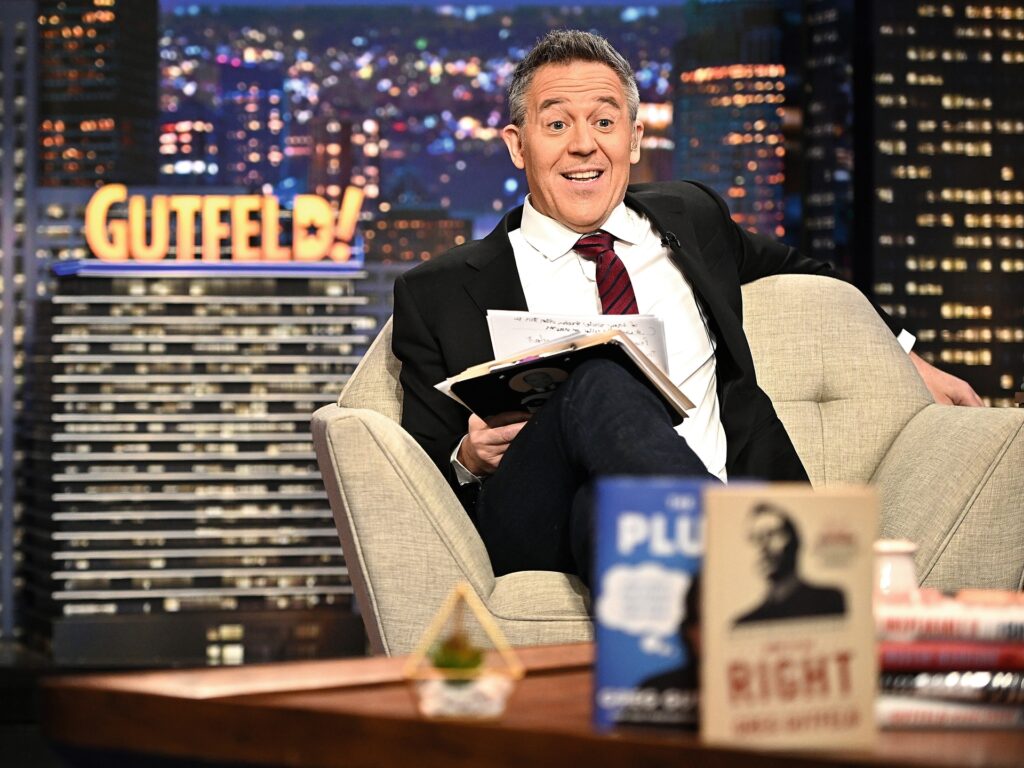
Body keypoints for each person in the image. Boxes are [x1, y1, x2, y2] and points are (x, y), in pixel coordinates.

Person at [391, 30, 981, 585]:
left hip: (635, 516)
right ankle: (759, 570)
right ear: (518, 146)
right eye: (557, 124)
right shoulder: (440, 291)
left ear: (634, 139)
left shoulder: (690, 218)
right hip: (541, 522)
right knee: (600, 375)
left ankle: (709, 592)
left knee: (611, 509)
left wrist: (906, 360)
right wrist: (469, 458)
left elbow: (807, 271)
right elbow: (421, 474)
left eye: (604, 121)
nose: (583, 144)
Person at [733, 503, 846, 625]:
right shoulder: (746, 623)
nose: (762, 546)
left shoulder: (829, 601)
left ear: (794, 541)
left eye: (770, 534)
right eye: (754, 538)